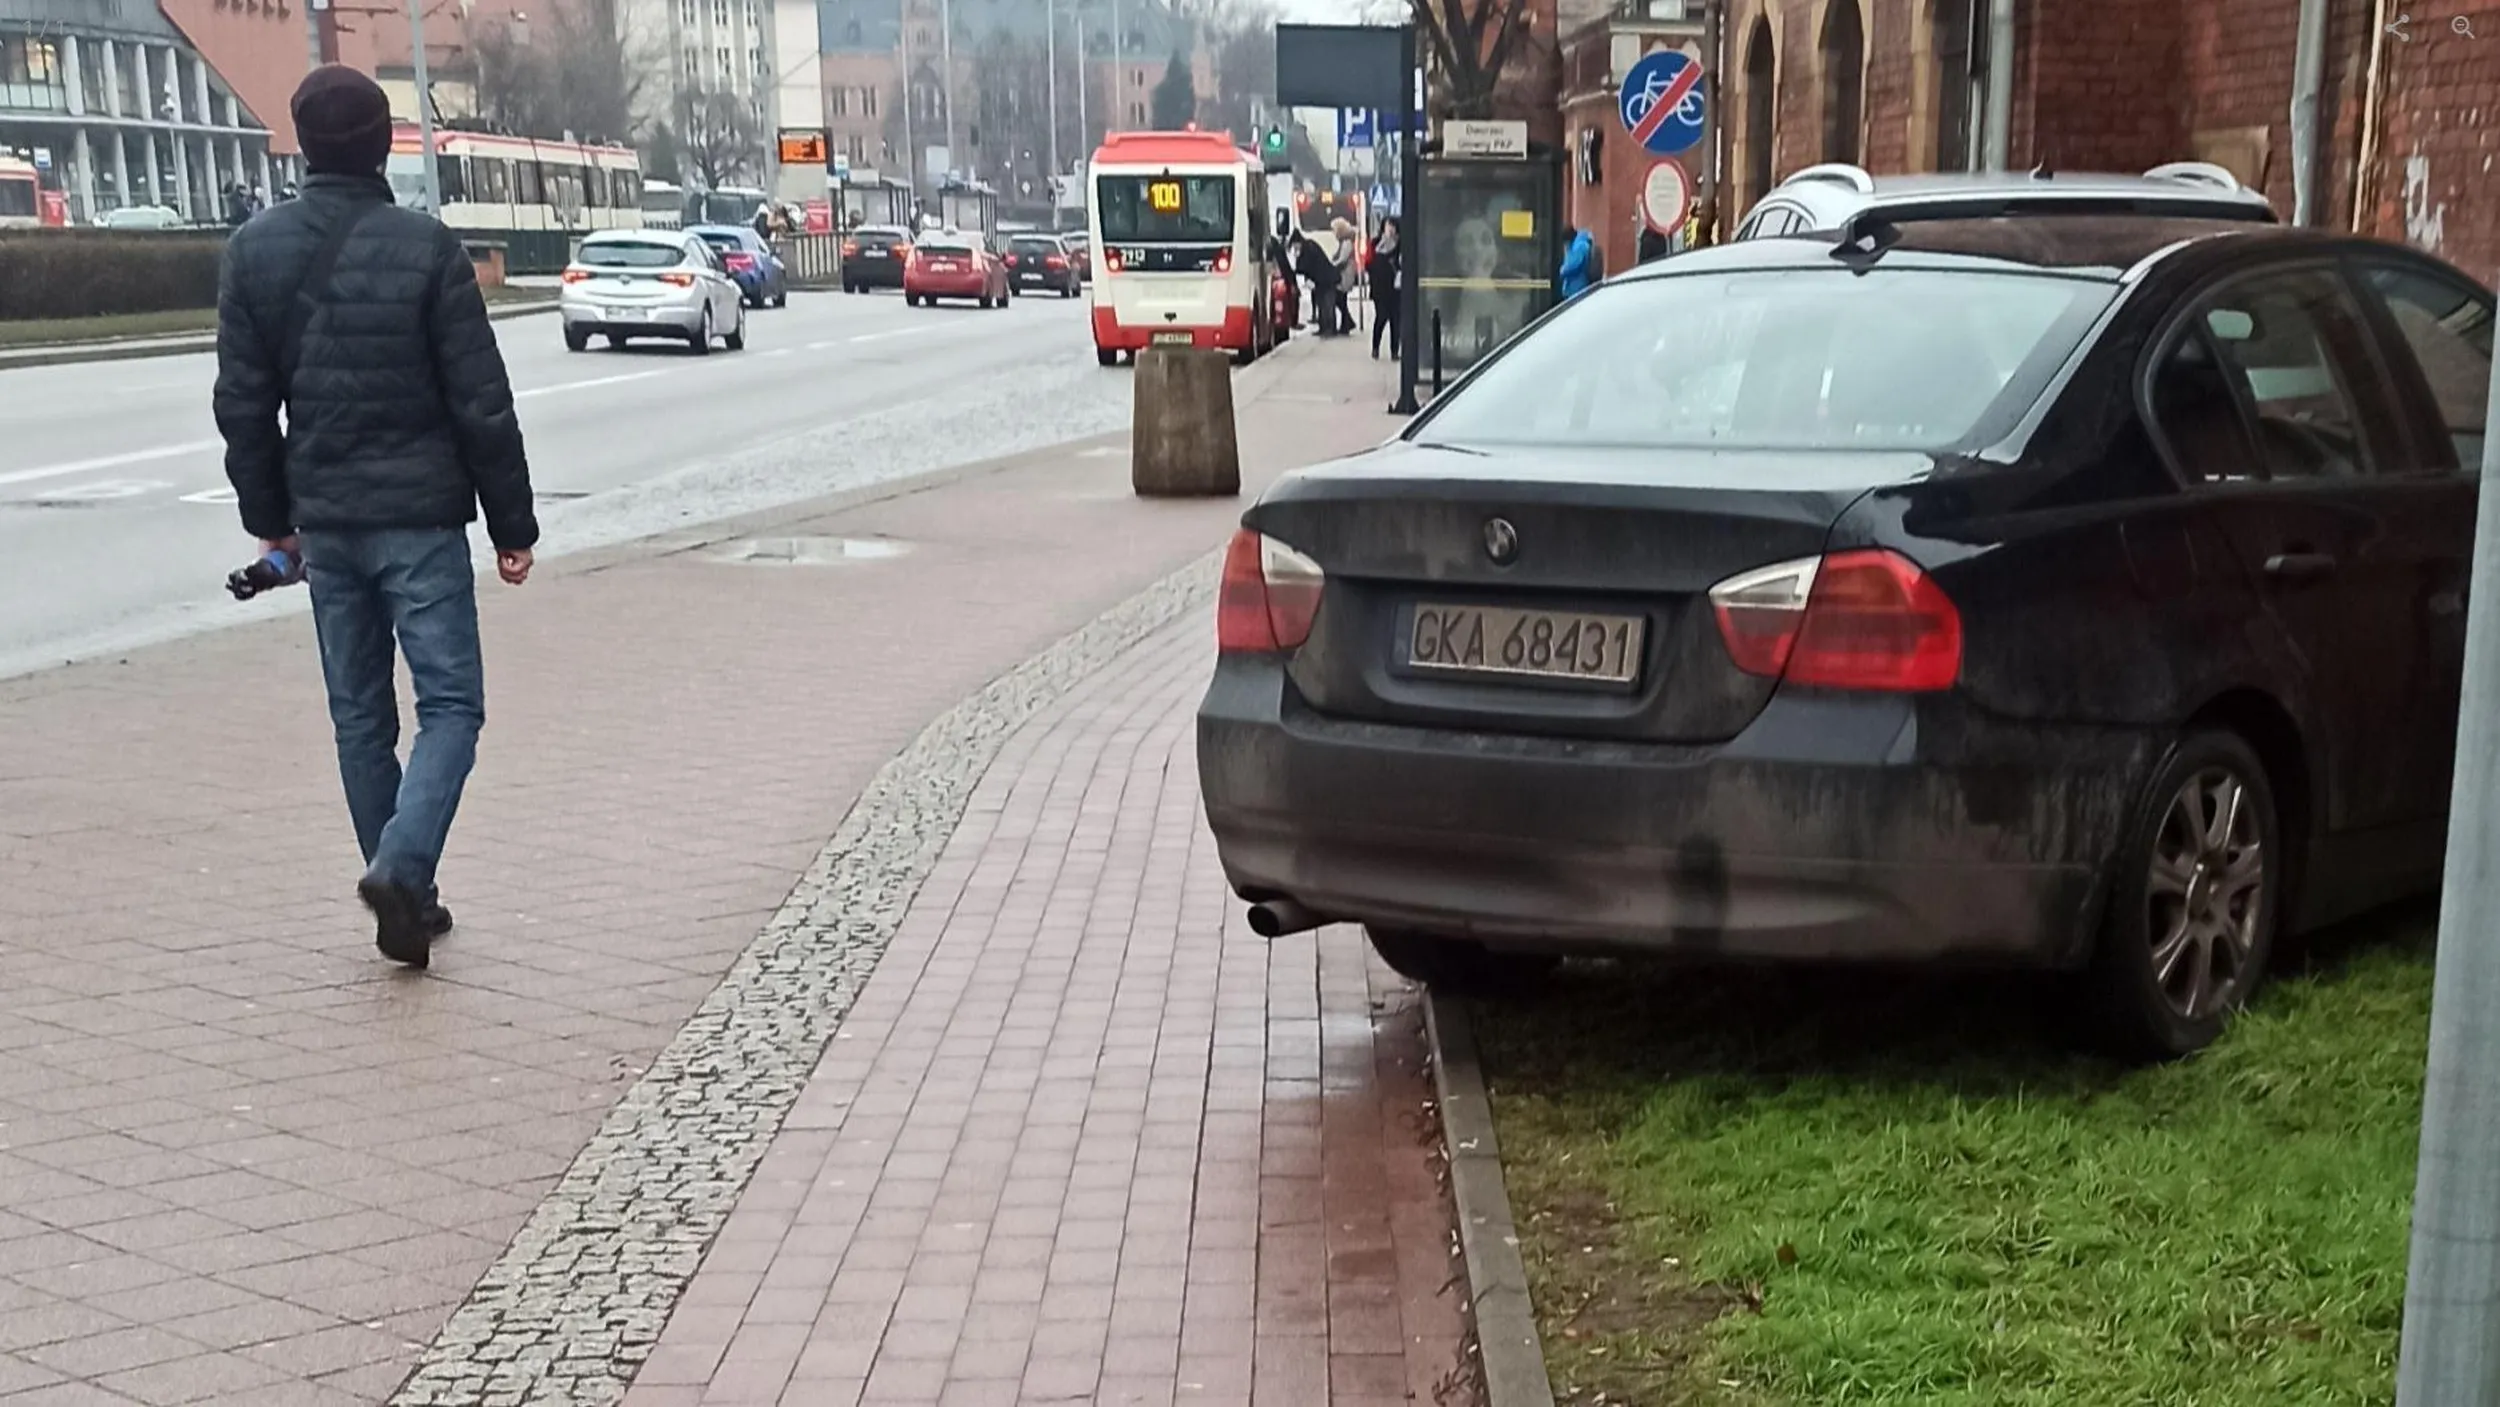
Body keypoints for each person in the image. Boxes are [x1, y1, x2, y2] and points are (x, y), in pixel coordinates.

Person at [213, 65, 538, 969]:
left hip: (326, 521)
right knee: (452, 708)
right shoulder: (428, 248)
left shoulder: (253, 252)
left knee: (360, 718)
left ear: (305, 144)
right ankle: (401, 868)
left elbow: (243, 405)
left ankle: (404, 892)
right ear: (384, 141)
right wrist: (513, 525)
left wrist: (273, 522)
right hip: (422, 523)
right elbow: (482, 401)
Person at [1367, 217, 1402, 360]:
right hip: (1379, 288)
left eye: (1393, 226)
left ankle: (1394, 351)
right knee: (1381, 317)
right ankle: (1375, 348)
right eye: (1388, 225)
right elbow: (1368, 263)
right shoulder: (1375, 243)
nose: (1390, 229)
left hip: (1395, 288)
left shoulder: (1401, 243)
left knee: (1396, 320)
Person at [1292, 234, 1340, 337]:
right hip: (1321, 281)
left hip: (1326, 280)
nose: (1295, 249)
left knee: (1327, 305)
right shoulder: (1309, 246)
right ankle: (1324, 328)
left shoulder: (1308, 249)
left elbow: (1304, 267)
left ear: (1298, 243)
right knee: (1322, 305)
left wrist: (1298, 263)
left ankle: (1330, 328)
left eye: (1295, 246)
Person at [1328, 217, 1359, 335]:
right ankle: (1346, 323)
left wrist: (1332, 265)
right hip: (1345, 273)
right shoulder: (1344, 242)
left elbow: (1343, 259)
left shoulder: (1346, 243)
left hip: (1345, 275)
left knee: (1339, 299)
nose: (1333, 233)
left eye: (1334, 230)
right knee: (1341, 300)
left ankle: (1348, 322)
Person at [1559, 224, 1598, 299]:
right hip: (1575, 287)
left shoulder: (1579, 246)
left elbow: (1573, 265)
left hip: (1578, 287)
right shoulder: (1576, 245)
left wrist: (1563, 270)